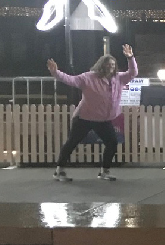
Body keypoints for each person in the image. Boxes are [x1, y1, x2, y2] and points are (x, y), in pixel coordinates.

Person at [48, 44, 137, 182]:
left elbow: (133, 72)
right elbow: (71, 80)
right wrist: (56, 73)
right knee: (72, 142)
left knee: (112, 143)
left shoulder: (119, 78)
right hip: (85, 117)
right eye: (108, 64)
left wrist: (130, 58)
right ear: (101, 65)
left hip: (104, 119)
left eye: (113, 65)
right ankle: (59, 170)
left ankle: (104, 171)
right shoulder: (88, 77)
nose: (111, 67)